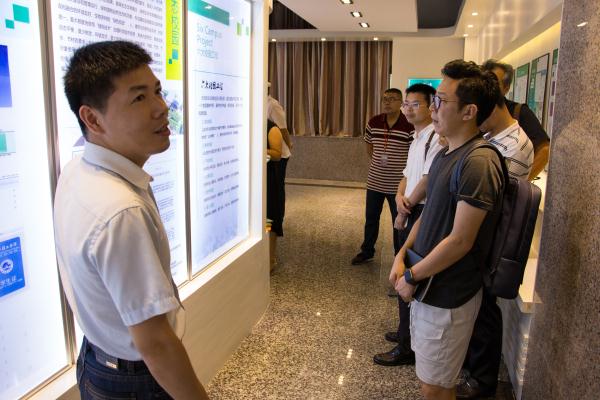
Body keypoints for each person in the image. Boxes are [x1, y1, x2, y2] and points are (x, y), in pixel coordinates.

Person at [54, 41, 209, 400]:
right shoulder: (121, 211)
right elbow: (156, 344)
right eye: (139, 98)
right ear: (92, 119)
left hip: (96, 361)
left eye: (157, 91)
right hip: (133, 383)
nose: (161, 108)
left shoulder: (78, 170)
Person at [390, 60, 505, 400]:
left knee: (436, 387)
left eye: (441, 101)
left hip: (448, 292)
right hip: (428, 284)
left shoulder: (478, 162)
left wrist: (412, 276)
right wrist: (401, 255)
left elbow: (460, 240)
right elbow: (429, 215)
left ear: (469, 111)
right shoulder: (446, 152)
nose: (433, 108)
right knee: (431, 380)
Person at [457, 76, 534, 399]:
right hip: (481, 237)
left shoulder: (514, 143)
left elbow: (493, 201)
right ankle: (471, 369)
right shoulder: (493, 137)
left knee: (485, 311)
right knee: (477, 309)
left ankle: (482, 380)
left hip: (490, 241)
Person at [374, 83, 443, 367]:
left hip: (420, 211)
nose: (409, 109)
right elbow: (406, 175)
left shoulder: (435, 138)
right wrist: (399, 196)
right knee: (400, 266)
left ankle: (407, 346)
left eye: (416, 104)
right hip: (409, 206)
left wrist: (405, 207)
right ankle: (406, 331)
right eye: (407, 104)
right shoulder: (417, 138)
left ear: (431, 106)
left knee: (407, 272)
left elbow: (427, 180)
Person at [351, 88, 414, 265]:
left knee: (398, 221)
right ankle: (367, 251)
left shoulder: (408, 125)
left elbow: (412, 154)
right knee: (371, 218)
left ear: (401, 102)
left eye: (392, 99)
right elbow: (370, 147)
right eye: (385, 99)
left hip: (397, 184)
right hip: (375, 181)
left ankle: (399, 255)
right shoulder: (374, 122)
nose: (387, 102)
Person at [482, 59, 550, 180]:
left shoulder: (520, 112)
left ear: (506, 88)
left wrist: (521, 183)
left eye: (494, 82)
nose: (487, 86)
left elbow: (544, 150)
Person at [267, 83, 292, 224]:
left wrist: (289, 144)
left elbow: (283, 128)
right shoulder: (258, 103)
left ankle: (278, 219)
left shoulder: (273, 105)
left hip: (279, 154)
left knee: (277, 187)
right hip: (267, 153)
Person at [266, 119, 284, 270]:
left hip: (269, 181)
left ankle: (270, 260)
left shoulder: (271, 128)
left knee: (269, 219)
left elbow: (277, 155)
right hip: (254, 180)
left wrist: (257, 148)